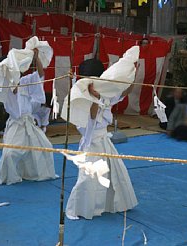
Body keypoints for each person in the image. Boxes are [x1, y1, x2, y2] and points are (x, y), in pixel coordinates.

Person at [65, 59, 138, 220]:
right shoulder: (80, 93)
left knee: (114, 174)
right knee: (88, 177)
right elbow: (89, 119)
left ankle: (111, 204)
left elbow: (125, 92)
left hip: (103, 139)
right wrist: (95, 99)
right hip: (92, 141)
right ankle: (82, 207)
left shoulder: (105, 92)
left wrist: (133, 74)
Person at [0, 49, 57, 185]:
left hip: (29, 122)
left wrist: (36, 57)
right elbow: (12, 90)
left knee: (45, 147)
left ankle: (33, 173)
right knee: (10, 154)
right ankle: (9, 176)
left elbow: (40, 74)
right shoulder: (4, 86)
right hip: (16, 124)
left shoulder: (25, 81)